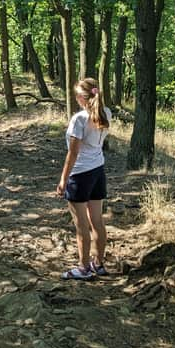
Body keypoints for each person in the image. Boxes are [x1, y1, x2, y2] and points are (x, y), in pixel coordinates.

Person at [56, 78, 112, 280]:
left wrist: (63, 179)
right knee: (97, 221)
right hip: (98, 171)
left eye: (76, 95)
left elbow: (73, 153)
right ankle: (99, 263)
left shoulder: (79, 119)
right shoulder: (106, 113)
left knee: (81, 225)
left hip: (79, 175)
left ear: (81, 97)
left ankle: (83, 267)